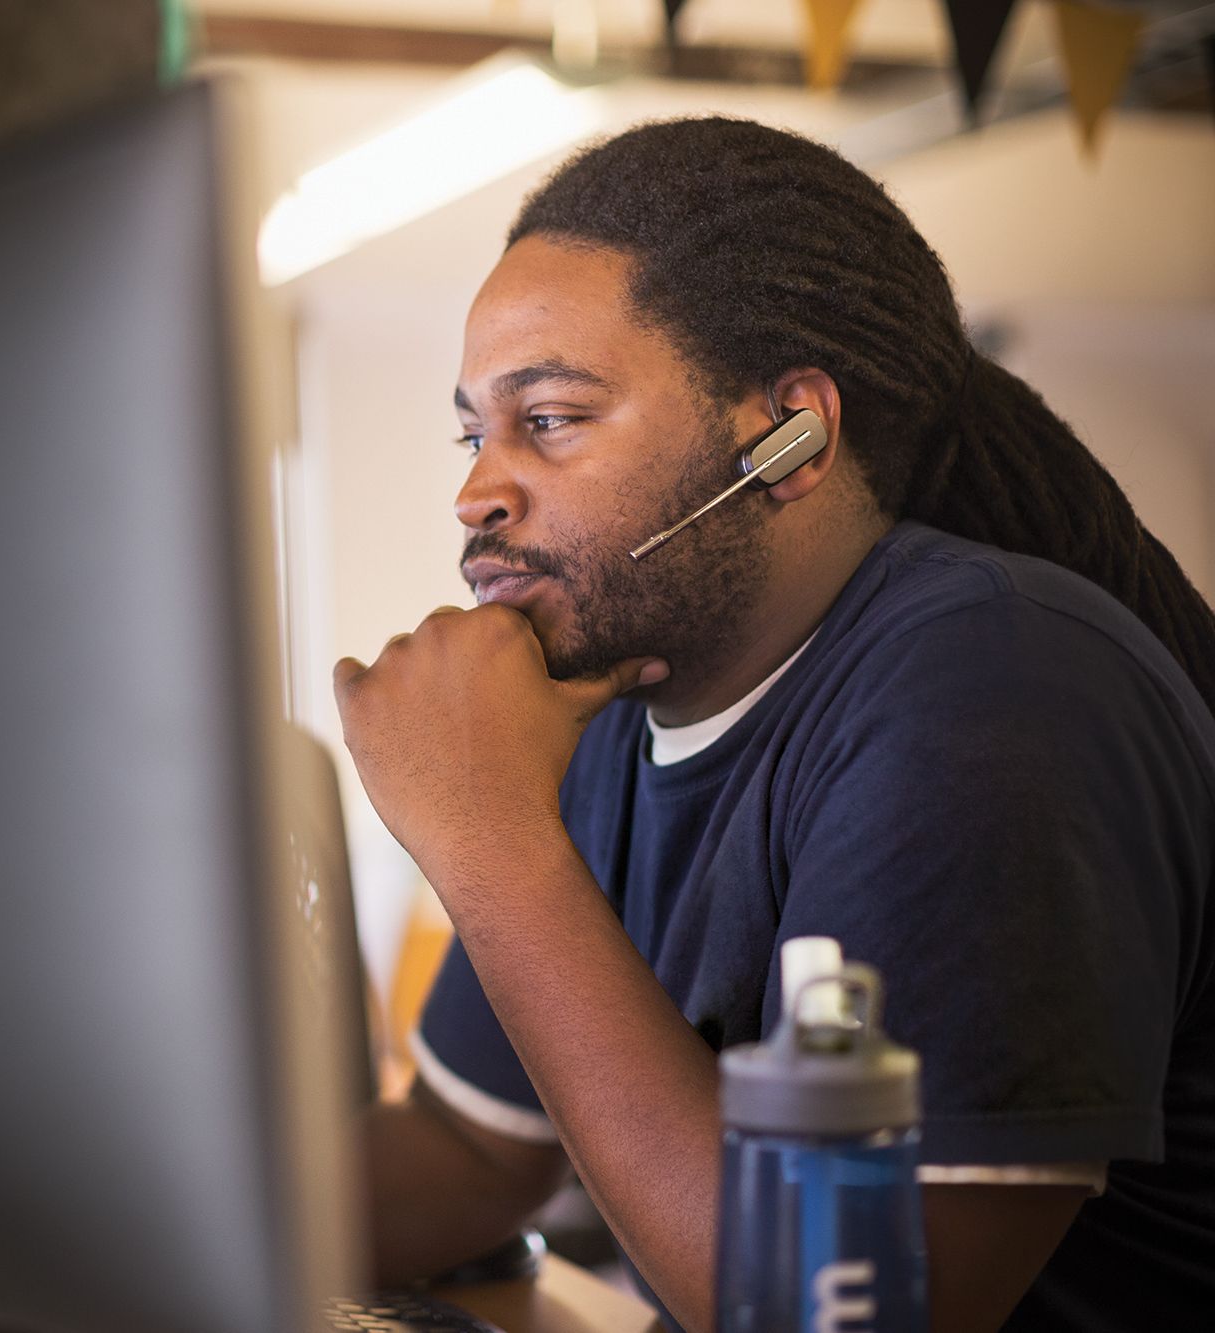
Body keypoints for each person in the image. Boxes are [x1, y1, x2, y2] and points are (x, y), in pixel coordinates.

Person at [338, 118, 1215, 1333]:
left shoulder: (993, 687)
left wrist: (485, 840)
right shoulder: (605, 714)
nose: (474, 489)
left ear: (786, 433)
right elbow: (471, 1152)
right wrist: (71, 1234)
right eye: (472, 429)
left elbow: (832, 1310)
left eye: (548, 418)